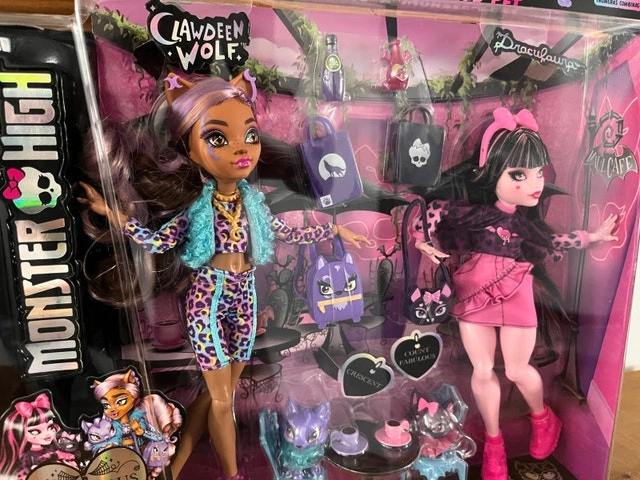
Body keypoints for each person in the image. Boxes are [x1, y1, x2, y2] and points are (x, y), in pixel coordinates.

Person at [78, 70, 370, 480]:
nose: (241, 148)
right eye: (217, 138)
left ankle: (175, 465)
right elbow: (158, 241)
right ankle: (232, 474)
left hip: (245, 296)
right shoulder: (198, 209)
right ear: (190, 148)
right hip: (208, 300)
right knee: (221, 400)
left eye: (249, 135)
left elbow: (287, 232)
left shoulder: (254, 203)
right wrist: (113, 214)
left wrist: (335, 230)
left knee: (221, 394)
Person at [411, 107, 619, 480]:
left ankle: (543, 418)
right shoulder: (473, 214)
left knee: (519, 369)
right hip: (474, 289)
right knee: (482, 369)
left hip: (516, 291)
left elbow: (554, 241)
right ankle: (494, 445)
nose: (535, 183)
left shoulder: (525, 226)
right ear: (492, 172)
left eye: (538, 173)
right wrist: (421, 242)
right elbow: (433, 212)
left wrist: (594, 236)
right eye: (519, 174)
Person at [0, 392, 77, 480]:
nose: (47, 433)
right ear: (19, 433)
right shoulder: (27, 456)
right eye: (35, 431)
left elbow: (57, 455)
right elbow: (22, 473)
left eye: (50, 427)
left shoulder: (51, 448)